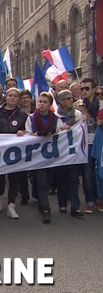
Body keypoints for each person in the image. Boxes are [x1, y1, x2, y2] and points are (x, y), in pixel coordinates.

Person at [25, 92, 64, 223]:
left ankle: (39, 196)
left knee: (47, 181)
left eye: (44, 102)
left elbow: (60, 134)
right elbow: (29, 135)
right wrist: (39, 134)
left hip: (51, 156)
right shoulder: (31, 118)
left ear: (49, 104)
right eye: (40, 101)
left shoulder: (56, 119)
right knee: (42, 182)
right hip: (37, 156)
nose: (41, 104)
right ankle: (46, 209)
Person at [0, 88, 28, 219]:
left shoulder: (22, 114)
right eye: (10, 95)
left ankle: (11, 205)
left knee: (13, 177)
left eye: (15, 96)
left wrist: (23, 132)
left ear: (18, 99)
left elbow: (27, 130)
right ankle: (0, 196)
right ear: (5, 97)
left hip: (15, 150)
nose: (12, 98)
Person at [55, 90, 84, 217]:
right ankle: (62, 204)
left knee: (73, 179)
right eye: (68, 98)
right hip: (61, 153)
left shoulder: (78, 114)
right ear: (61, 101)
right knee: (62, 180)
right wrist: (61, 129)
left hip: (74, 152)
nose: (71, 100)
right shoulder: (56, 116)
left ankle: (75, 207)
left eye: (71, 98)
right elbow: (53, 132)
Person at [81, 77, 99, 213]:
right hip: (85, 144)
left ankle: (100, 198)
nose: (84, 91)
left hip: (99, 143)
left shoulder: (101, 105)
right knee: (88, 174)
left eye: (87, 88)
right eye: (82, 89)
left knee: (99, 173)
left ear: (93, 90)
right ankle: (89, 201)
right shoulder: (78, 106)